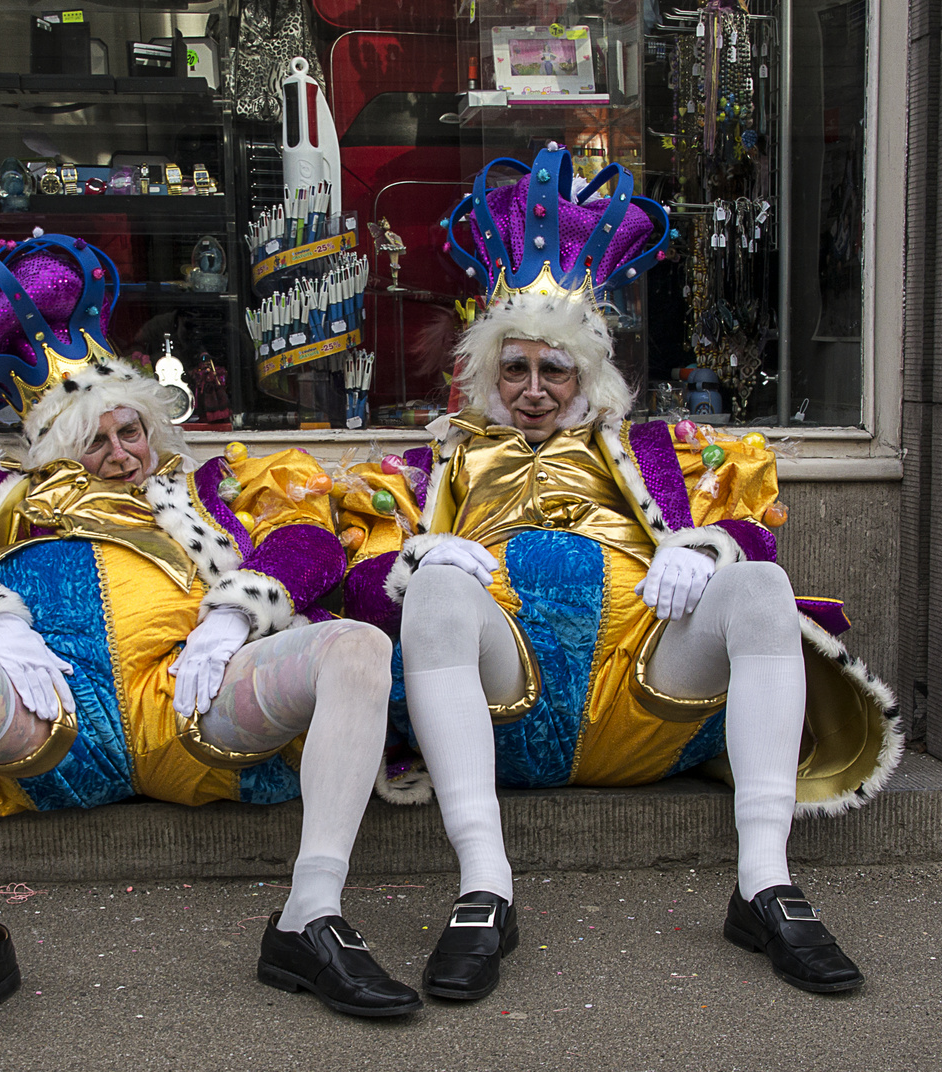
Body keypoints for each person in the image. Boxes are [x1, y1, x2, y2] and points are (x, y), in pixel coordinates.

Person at [0, 234, 420, 1048]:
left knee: (355, 646)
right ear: (53, 449)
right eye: (94, 442)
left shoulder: (214, 486)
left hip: (196, 708)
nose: (120, 455)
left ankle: (310, 919)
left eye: (130, 432)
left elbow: (311, 541)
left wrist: (232, 617)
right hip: (48, 716)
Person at [341, 145, 902, 1001]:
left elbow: (752, 528)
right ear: (488, 371)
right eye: (516, 367)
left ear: (587, 372)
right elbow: (352, 573)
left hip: (644, 691)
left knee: (759, 587)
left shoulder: (649, 453)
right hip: (502, 704)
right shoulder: (434, 463)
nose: (534, 389)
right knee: (439, 586)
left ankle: (765, 886)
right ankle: (485, 890)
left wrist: (702, 549)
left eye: (554, 368)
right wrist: (414, 561)